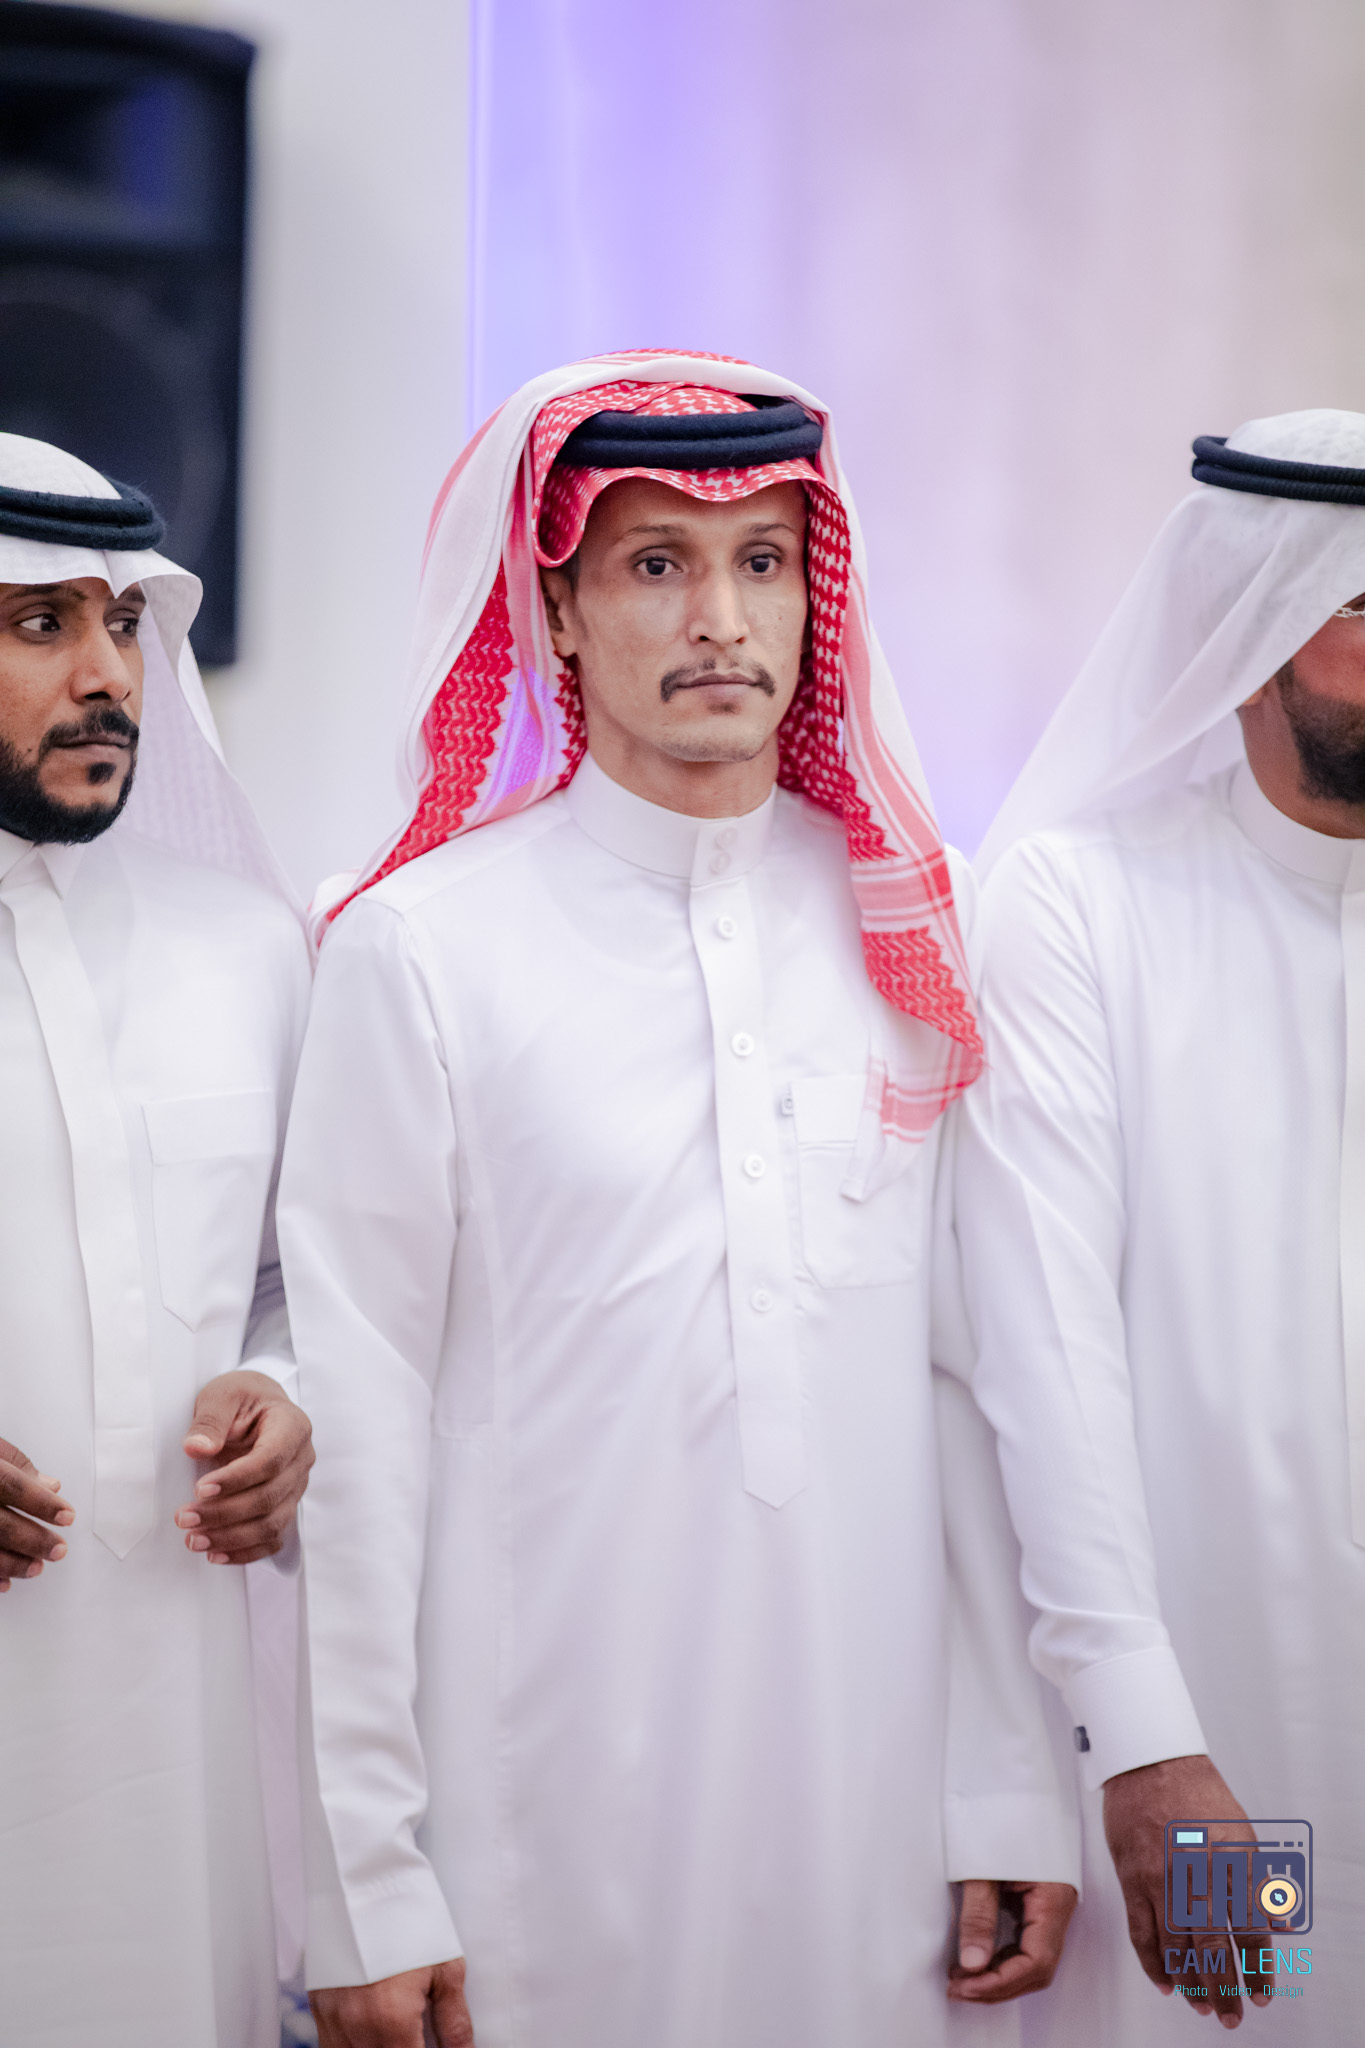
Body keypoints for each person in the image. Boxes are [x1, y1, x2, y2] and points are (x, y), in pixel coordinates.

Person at [280, 352, 1078, 2048]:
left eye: (762, 561)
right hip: (529, 1813)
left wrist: (1007, 1782)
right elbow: (361, 1434)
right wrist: (365, 1878)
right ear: (557, 612)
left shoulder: (910, 927)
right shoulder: (419, 948)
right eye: (656, 562)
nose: (720, 618)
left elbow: (971, 1388)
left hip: (871, 1814)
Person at [956, 408, 1365, 2042]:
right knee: (1257, 2015)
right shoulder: (1082, 903)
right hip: (1219, 1740)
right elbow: (1043, 1345)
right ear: (1251, 634)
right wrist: (1144, 1738)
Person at [0, 434, 315, 2047]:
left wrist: (288, 1391)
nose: (106, 674)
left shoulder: (248, 950)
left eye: (123, 621)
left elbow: (305, 1283)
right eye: (39, 623)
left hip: (181, 1740)